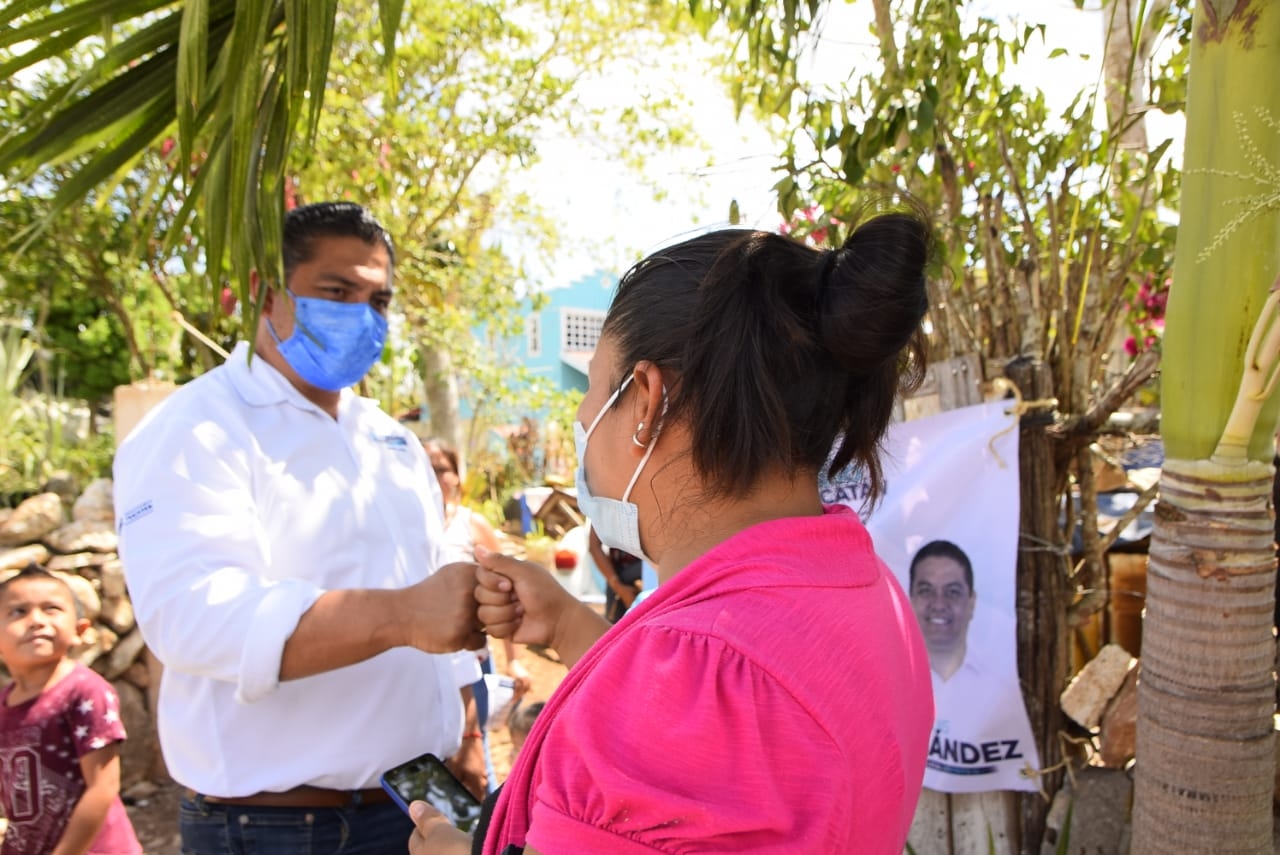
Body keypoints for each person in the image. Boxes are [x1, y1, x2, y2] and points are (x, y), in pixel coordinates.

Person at [408, 209, 937, 854]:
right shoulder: (864, 591)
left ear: (646, 399)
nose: (581, 424)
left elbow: (695, 708)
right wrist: (572, 627)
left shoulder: (698, 668)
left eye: (591, 396)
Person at [112, 202, 486, 855]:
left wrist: (470, 731)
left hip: (418, 806)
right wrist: (399, 615)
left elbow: (436, 595)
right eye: (337, 292)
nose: (361, 316)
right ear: (265, 292)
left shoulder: (391, 441)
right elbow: (192, 617)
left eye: (378, 299)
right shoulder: (196, 429)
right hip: (281, 828)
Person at [0, 565, 142, 855]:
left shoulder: (84, 692)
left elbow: (103, 787)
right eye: (18, 611)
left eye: (51, 608)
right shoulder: (5, 703)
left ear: (80, 630)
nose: (36, 621)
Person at [422, 438, 531, 793]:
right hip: (420, 663)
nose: (435, 476)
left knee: (474, 754)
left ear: (456, 476)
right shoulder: (405, 529)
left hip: (473, 662)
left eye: (442, 468)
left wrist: (513, 661)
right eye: (427, 467)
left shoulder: (472, 525)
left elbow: (505, 592)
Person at [908, 540, 977, 681]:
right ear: (910, 600)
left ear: (972, 602)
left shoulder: (1004, 688)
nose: (939, 604)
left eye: (952, 592)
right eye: (926, 591)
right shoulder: (884, 680)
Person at [586, 527, 643, 622]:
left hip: (648, 575)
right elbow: (594, 546)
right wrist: (619, 588)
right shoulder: (603, 512)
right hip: (620, 581)